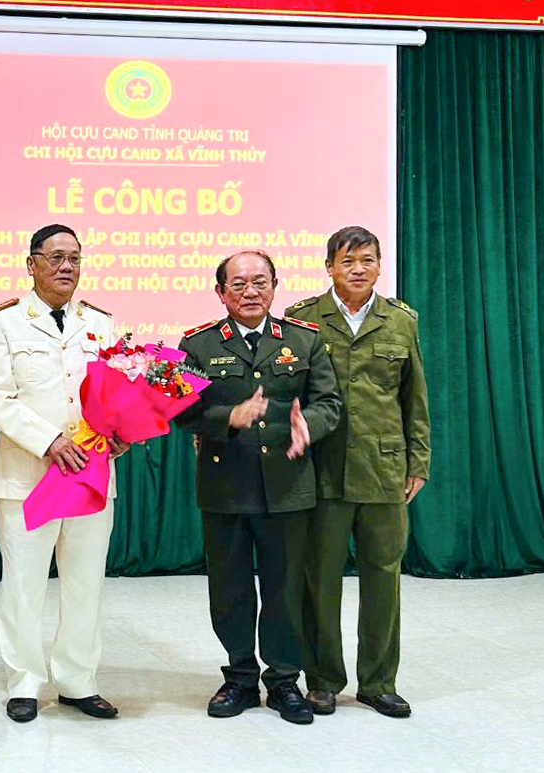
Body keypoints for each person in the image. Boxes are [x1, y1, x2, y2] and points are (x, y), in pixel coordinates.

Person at [175, 250, 341, 725]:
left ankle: (285, 679)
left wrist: (308, 425)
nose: (250, 292)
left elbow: (328, 402)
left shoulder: (303, 340)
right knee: (230, 590)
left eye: (260, 282)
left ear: (274, 287)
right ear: (221, 292)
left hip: (287, 487)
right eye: (239, 284)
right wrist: (229, 416)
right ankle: (241, 678)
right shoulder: (198, 345)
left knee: (285, 589)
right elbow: (181, 411)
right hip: (225, 486)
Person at [0, 224, 129, 723]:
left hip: (89, 476)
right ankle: (24, 682)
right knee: (24, 585)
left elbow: (114, 394)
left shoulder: (101, 324)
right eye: (56, 257)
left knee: (85, 583)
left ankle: (78, 681)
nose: (67, 267)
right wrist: (49, 441)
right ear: (32, 264)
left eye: (75, 258)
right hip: (29, 475)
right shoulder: (3, 321)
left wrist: (121, 432)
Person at [285, 226, 430, 719]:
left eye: (367, 260)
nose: (358, 269)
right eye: (347, 261)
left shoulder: (401, 321)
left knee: (384, 577)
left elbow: (414, 397)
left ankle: (379, 682)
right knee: (320, 579)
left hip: (384, 469)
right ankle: (323, 680)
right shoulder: (304, 320)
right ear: (329, 267)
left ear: (379, 266)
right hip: (323, 470)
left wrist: (418, 460)